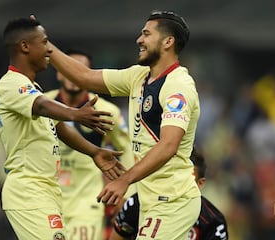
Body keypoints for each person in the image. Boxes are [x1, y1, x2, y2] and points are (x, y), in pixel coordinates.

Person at [42, 9, 201, 239]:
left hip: (172, 201)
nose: (139, 40)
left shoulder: (178, 86)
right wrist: (44, 43)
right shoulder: (138, 76)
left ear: (168, 41)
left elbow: (168, 145)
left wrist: (124, 180)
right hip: (150, 199)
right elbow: (84, 77)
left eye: (146, 34)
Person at [0, 17, 126, 240]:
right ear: (24, 46)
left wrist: (94, 152)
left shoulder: (32, 87)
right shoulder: (11, 84)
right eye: (44, 43)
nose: (49, 50)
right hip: (29, 191)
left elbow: (60, 128)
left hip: (47, 190)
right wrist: (77, 113)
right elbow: (42, 106)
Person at [45, 49, 135, 240]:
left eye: (80, 70)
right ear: (59, 72)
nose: (73, 75)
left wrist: (127, 191)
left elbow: (126, 149)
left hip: (86, 204)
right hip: (46, 200)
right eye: (68, 69)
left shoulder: (106, 110)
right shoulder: (43, 103)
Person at [109, 147, 229, 240]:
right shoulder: (138, 202)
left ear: (200, 183)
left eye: (188, 178)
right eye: (176, 176)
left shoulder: (213, 221)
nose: (180, 184)